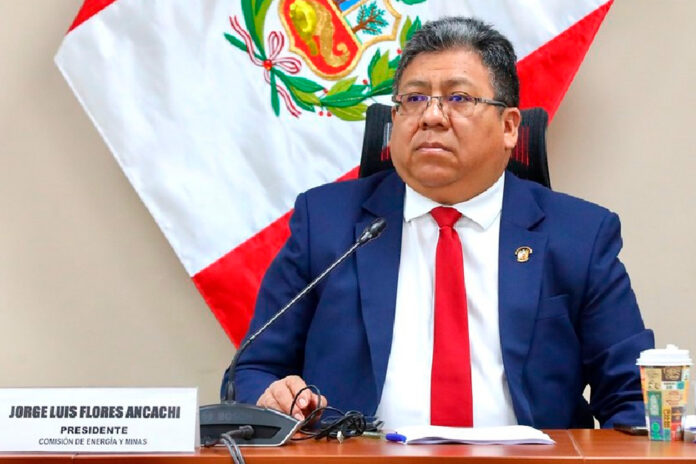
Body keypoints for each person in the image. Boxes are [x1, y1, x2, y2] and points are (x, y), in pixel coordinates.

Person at [232, 16, 654, 429]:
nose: (431, 116)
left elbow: (633, 398)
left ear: (510, 127)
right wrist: (273, 397)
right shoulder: (326, 224)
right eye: (414, 99)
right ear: (394, 120)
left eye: (458, 98)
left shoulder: (578, 236)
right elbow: (252, 371)